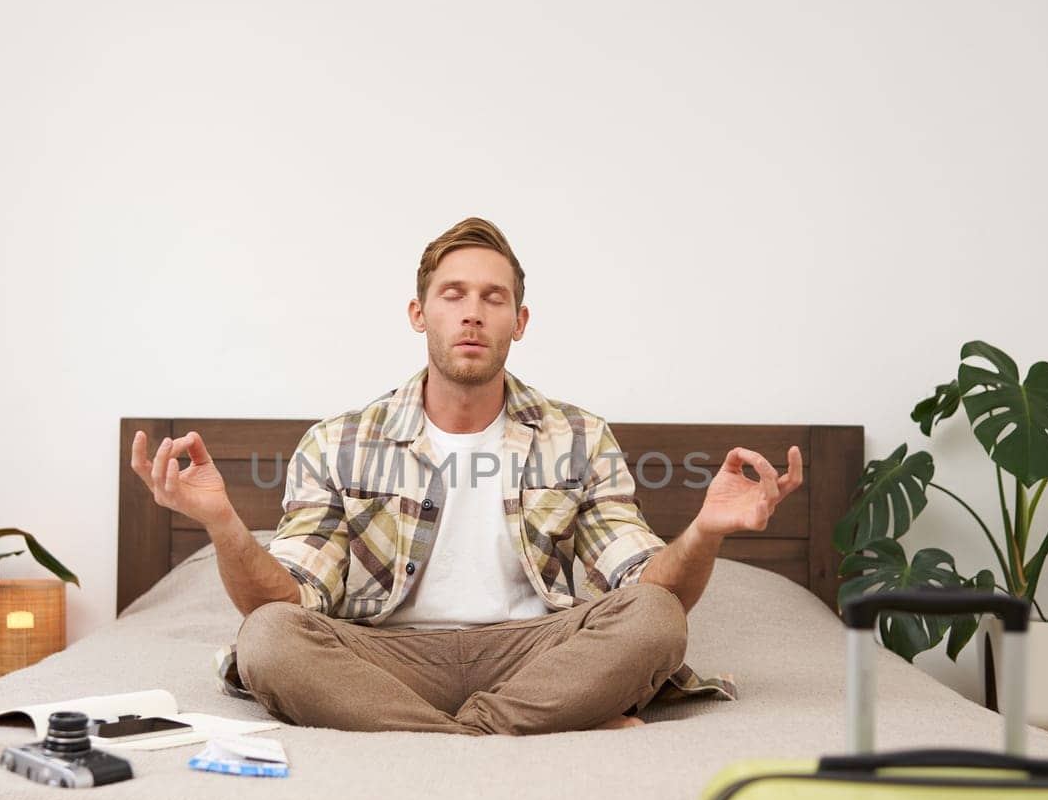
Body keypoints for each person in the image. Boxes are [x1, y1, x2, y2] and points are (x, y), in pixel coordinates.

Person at [127, 216, 803, 735]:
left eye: (493, 297)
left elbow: (645, 588)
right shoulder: (339, 441)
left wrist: (707, 531)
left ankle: (446, 732)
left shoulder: (580, 437)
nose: (473, 311)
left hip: (535, 654)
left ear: (520, 320)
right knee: (268, 639)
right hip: (382, 658)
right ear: (421, 315)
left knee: (656, 620)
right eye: (453, 295)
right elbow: (285, 598)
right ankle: (510, 729)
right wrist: (221, 522)